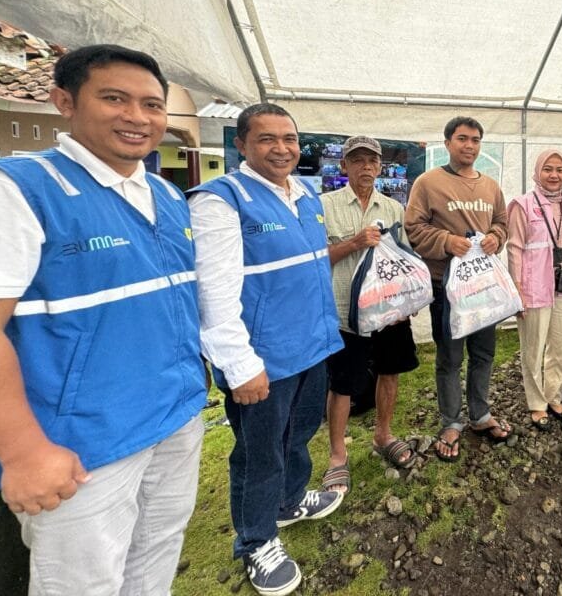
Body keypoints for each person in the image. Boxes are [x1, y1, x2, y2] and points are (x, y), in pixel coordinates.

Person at [0, 44, 206, 594]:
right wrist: (23, 450)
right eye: (114, 99)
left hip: (175, 416)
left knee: (155, 558)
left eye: (152, 105)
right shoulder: (22, 189)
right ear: (64, 101)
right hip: (81, 445)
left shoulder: (165, 192)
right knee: (83, 584)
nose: (137, 118)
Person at [188, 103, 344, 596]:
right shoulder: (221, 201)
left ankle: (289, 502)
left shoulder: (307, 195)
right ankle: (256, 540)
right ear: (241, 144)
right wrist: (239, 365)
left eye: (290, 139)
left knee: (297, 437)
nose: (282, 148)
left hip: (312, 345)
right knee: (260, 455)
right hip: (263, 361)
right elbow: (213, 294)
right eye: (267, 139)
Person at [404, 116, 511, 462]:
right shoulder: (428, 182)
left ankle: (480, 415)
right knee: (450, 357)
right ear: (448, 143)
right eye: (462, 138)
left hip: (483, 288)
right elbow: (414, 228)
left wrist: (496, 237)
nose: (469, 145)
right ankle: (451, 421)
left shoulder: (491, 186)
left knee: (484, 354)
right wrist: (446, 241)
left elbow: (501, 223)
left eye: (476, 140)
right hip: (447, 288)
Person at [320, 136, 420, 492]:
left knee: (389, 372)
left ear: (380, 168)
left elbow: (404, 257)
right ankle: (336, 456)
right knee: (343, 383)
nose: (365, 167)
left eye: (372, 161)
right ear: (343, 166)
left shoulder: (392, 208)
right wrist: (353, 243)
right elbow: (314, 259)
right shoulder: (324, 206)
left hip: (387, 310)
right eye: (357, 160)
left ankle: (383, 435)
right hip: (345, 313)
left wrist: (404, 305)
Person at [506, 150, 562, 430]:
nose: (554, 175)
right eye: (548, 169)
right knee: (533, 348)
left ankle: (554, 396)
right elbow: (513, 247)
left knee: (561, 346)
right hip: (534, 286)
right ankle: (536, 403)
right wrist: (517, 290)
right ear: (538, 172)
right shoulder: (522, 204)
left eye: (560, 170)